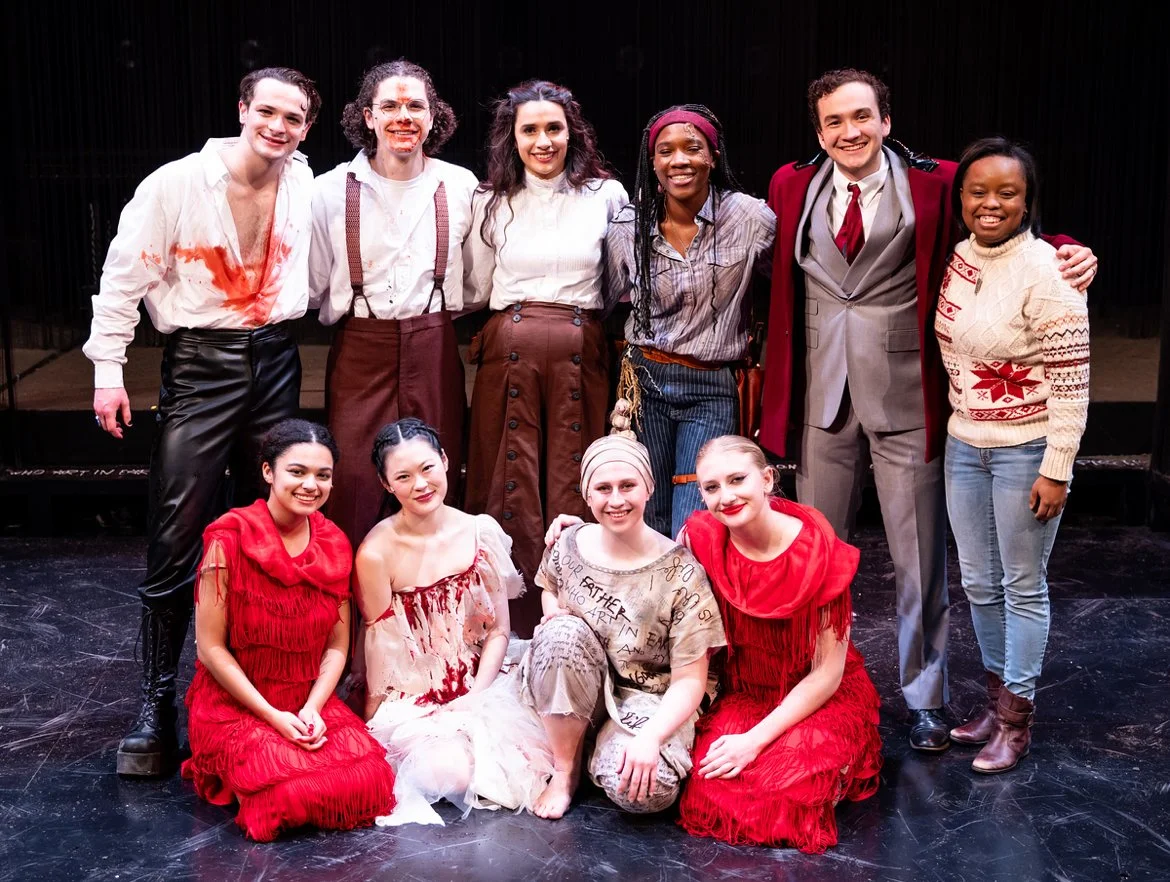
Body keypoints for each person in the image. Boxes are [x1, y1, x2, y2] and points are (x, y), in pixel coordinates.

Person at [758, 68, 1098, 751]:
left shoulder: (937, 180)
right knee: (821, 560)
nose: (848, 132)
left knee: (921, 563)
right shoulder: (791, 183)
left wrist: (1067, 251)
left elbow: (998, 221)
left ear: (886, 119)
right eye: (833, 122)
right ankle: (820, 688)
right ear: (817, 131)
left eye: (861, 117)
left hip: (909, 396)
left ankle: (924, 699)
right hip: (822, 400)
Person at [85, 67, 321, 776]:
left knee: (271, 529)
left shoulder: (305, 181)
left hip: (276, 358)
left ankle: (259, 693)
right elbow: (124, 274)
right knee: (176, 531)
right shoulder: (177, 183)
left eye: (295, 118)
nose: (279, 127)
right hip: (201, 363)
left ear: (306, 128)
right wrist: (106, 368)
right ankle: (156, 704)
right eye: (269, 112)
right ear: (243, 109)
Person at [936, 138, 1090, 773]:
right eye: (978, 191)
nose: (990, 203)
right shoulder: (958, 258)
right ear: (962, 198)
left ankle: (1016, 719)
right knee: (977, 581)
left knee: (1022, 584)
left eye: (1007, 192)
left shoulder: (1050, 270)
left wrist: (1058, 468)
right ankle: (998, 696)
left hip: (1027, 450)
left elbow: (1073, 382)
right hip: (963, 443)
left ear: (1027, 202)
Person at [463, 80, 628, 635]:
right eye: (529, 129)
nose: (542, 140)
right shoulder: (490, 200)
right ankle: (510, 625)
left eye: (552, 128)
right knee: (510, 478)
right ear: (512, 137)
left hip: (583, 348)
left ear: (571, 131)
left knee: (571, 477)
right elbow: (478, 284)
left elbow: (617, 283)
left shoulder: (606, 196)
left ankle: (577, 623)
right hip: (509, 347)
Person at [180, 419, 396, 841]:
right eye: (297, 472)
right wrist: (273, 717)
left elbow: (337, 645)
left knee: (373, 778)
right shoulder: (229, 537)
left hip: (304, 701)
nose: (310, 485)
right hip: (237, 705)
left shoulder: (335, 543)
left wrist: (314, 708)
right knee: (290, 794)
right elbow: (210, 650)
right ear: (268, 472)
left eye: (323, 475)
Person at [675, 435, 882, 853]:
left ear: (767, 479)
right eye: (711, 488)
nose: (726, 497)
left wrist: (754, 740)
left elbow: (827, 673)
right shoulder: (701, 537)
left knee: (785, 793)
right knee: (712, 788)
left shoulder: (818, 555)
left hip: (814, 694)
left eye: (737, 480)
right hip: (749, 691)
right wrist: (583, 529)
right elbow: (650, 557)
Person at [310, 58, 477, 549]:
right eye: (390, 106)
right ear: (368, 116)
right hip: (361, 346)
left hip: (433, 343)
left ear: (433, 117)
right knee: (355, 483)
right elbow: (317, 280)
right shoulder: (328, 190)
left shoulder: (461, 186)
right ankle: (362, 614)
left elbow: (476, 279)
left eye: (415, 106)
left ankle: (439, 603)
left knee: (435, 477)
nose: (403, 116)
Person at [355, 418, 553, 824]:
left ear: (445, 461)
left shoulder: (480, 532)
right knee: (450, 773)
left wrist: (475, 698)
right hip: (413, 695)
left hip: (480, 681)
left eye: (428, 468)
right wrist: (372, 720)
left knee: (546, 749)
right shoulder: (376, 552)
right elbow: (380, 646)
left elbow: (498, 630)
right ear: (386, 484)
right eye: (404, 477)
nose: (420, 484)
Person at [521, 434, 726, 819]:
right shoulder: (567, 543)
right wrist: (556, 619)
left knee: (646, 792)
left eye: (627, 486)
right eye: (603, 488)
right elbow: (550, 590)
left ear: (649, 487)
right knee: (559, 631)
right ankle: (566, 771)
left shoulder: (682, 573)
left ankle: (595, 744)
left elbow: (690, 681)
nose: (616, 500)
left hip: (647, 700)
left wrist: (650, 737)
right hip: (580, 681)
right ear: (587, 495)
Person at [605, 104, 775, 539]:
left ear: (713, 157)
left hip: (712, 383)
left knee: (696, 518)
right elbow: (603, 301)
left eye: (692, 148)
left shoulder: (750, 217)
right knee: (647, 509)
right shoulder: (629, 226)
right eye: (666, 151)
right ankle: (651, 608)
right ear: (653, 162)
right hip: (646, 381)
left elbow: (786, 288)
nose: (679, 160)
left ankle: (694, 607)